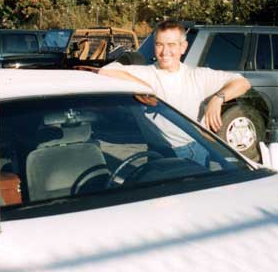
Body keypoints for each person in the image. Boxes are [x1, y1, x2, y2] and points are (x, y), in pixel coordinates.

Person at [87, 20, 251, 165]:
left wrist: (218, 98)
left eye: (171, 45)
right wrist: (146, 88)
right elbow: (105, 71)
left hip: (192, 152)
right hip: (156, 152)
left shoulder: (198, 76)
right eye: (159, 44)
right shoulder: (146, 73)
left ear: (183, 47)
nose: (165, 52)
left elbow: (242, 82)